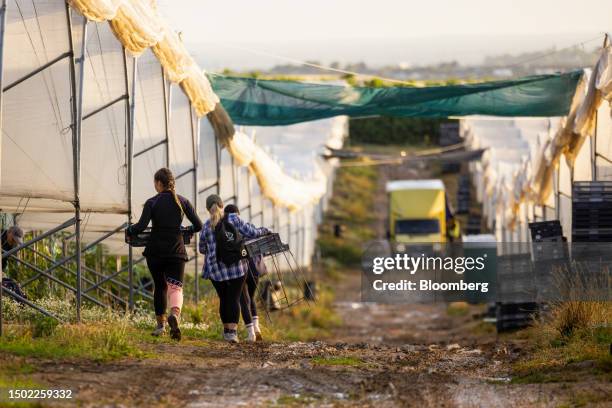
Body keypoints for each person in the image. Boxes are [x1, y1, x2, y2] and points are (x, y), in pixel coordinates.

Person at [127, 168, 202, 341]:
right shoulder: (182, 201)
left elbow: (140, 226)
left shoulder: (152, 202)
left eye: (155, 183)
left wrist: (130, 230)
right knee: (175, 287)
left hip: (155, 252)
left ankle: (161, 325)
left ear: (159, 183)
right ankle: (175, 314)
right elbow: (198, 225)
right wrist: (186, 229)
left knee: (160, 287)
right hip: (176, 251)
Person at [199, 195, 269, 343]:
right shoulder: (233, 219)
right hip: (237, 268)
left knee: (224, 299)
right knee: (234, 299)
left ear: (208, 209)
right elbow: (253, 233)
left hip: (216, 271)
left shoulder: (205, 226)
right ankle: (233, 333)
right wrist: (265, 230)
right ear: (221, 204)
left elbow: (202, 249)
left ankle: (227, 332)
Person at [223, 204, 265, 341]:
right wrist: (265, 230)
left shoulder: (223, 228)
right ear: (238, 213)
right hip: (254, 268)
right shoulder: (246, 226)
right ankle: (257, 327)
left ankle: (251, 333)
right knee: (251, 298)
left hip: (240, 268)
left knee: (242, 299)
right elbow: (256, 235)